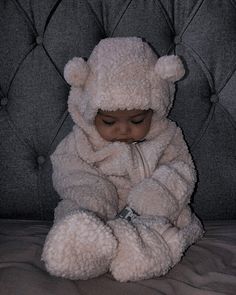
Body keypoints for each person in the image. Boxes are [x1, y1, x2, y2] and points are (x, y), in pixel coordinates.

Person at [42, 37, 203, 282]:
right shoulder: (82, 140)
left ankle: (139, 253)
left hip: (147, 213)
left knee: (164, 225)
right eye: (109, 121)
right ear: (90, 111)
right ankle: (82, 248)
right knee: (74, 210)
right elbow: (69, 169)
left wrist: (151, 197)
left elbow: (180, 170)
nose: (123, 130)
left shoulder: (166, 136)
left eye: (137, 120)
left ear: (155, 110)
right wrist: (95, 197)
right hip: (95, 206)